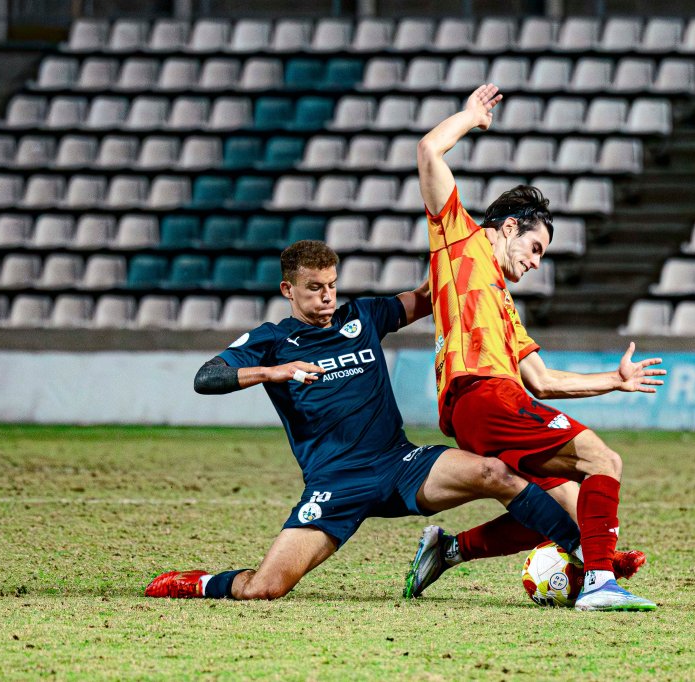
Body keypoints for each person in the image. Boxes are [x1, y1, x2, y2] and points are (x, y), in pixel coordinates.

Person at [144, 240, 587, 601]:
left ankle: (583, 554)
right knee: (265, 588)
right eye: (315, 287)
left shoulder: (363, 316)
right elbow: (207, 377)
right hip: (335, 482)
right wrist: (272, 371)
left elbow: (430, 296)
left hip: (400, 464)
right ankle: (198, 583)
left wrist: (477, 246)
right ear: (288, 290)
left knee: (495, 472)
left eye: (332, 285)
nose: (328, 296)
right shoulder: (272, 341)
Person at [407, 83, 667, 611]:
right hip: (484, 395)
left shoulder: (504, 307)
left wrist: (613, 382)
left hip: (484, 408)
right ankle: (599, 581)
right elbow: (430, 150)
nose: (536, 262)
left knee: (569, 511)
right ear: (507, 228)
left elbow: (544, 381)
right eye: (535, 247)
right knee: (603, 460)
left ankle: (448, 549)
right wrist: (470, 118)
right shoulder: (460, 242)